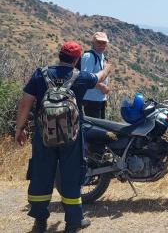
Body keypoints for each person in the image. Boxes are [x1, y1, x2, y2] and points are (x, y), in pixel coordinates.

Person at [14, 41, 111, 232]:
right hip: (72, 137)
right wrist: (107, 67)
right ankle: (74, 221)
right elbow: (99, 76)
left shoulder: (40, 74)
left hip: (44, 136)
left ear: (59, 56)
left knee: (41, 175)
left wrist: (19, 128)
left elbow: (25, 103)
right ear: (76, 60)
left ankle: (39, 221)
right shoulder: (80, 77)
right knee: (72, 176)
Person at [82, 31, 110, 119]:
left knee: (100, 130)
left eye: (104, 42)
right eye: (99, 42)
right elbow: (85, 79)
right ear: (93, 43)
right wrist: (102, 87)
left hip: (99, 100)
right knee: (94, 130)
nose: (101, 45)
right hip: (91, 101)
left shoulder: (102, 56)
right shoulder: (89, 56)